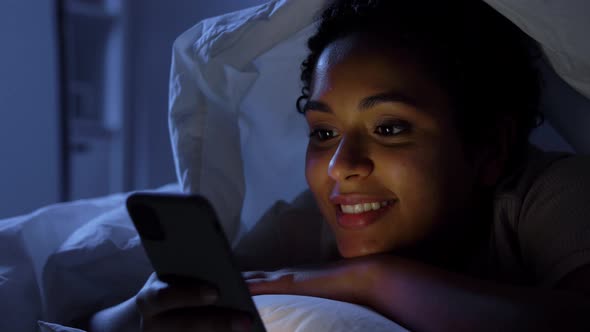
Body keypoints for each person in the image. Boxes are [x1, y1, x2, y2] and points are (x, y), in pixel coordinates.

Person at [84, 0, 590, 331]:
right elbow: (94, 323)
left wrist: (375, 280)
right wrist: (141, 309)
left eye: (390, 128)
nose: (340, 167)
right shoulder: (313, 218)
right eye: (323, 133)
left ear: (490, 148)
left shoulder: (551, 193)